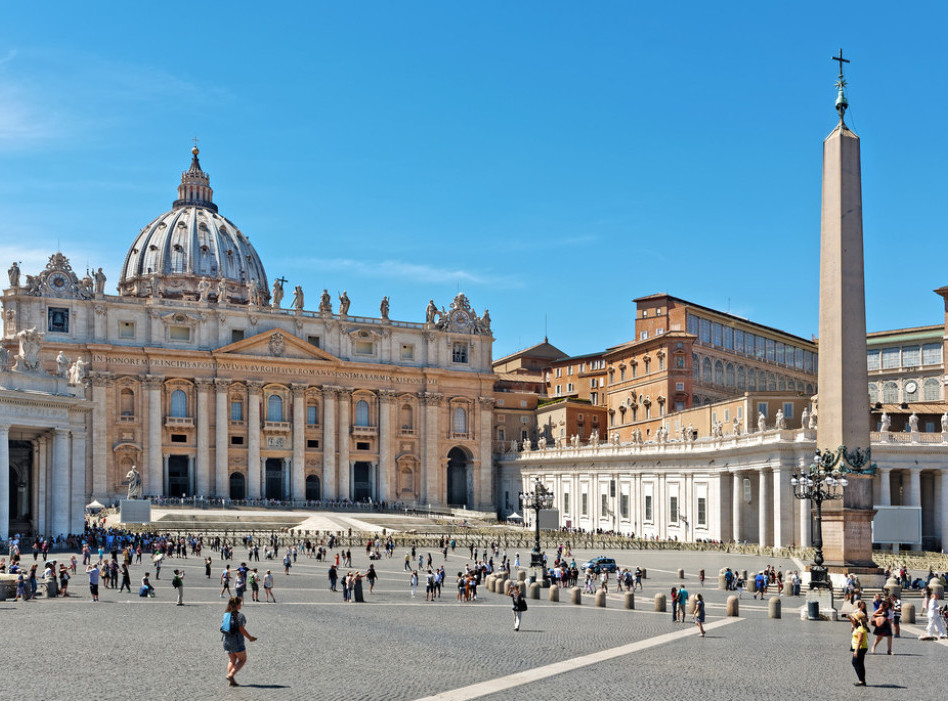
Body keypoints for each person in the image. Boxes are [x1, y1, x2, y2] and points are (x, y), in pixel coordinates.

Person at [222, 597, 257, 687]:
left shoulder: (226, 614)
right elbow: (241, 629)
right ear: (237, 605)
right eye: (240, 603)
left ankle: (231, 680)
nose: (241, 604)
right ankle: (230, 675)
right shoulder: (240, 616)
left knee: (232, 660)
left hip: (226, 641)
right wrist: (250, 638)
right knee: (242, 659)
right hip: (236, 641)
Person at [851, 610, 870, 686]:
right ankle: (862, 680)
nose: (853, 618)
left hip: (860, 648)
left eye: (854, 617)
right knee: (860, 664)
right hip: (862, 648)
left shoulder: (860, 628)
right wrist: (849, 617)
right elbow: (854, 623)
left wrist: (856, 651)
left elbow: (860, 640)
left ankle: (861, 680)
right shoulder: (859, 626)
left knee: (855, 663)